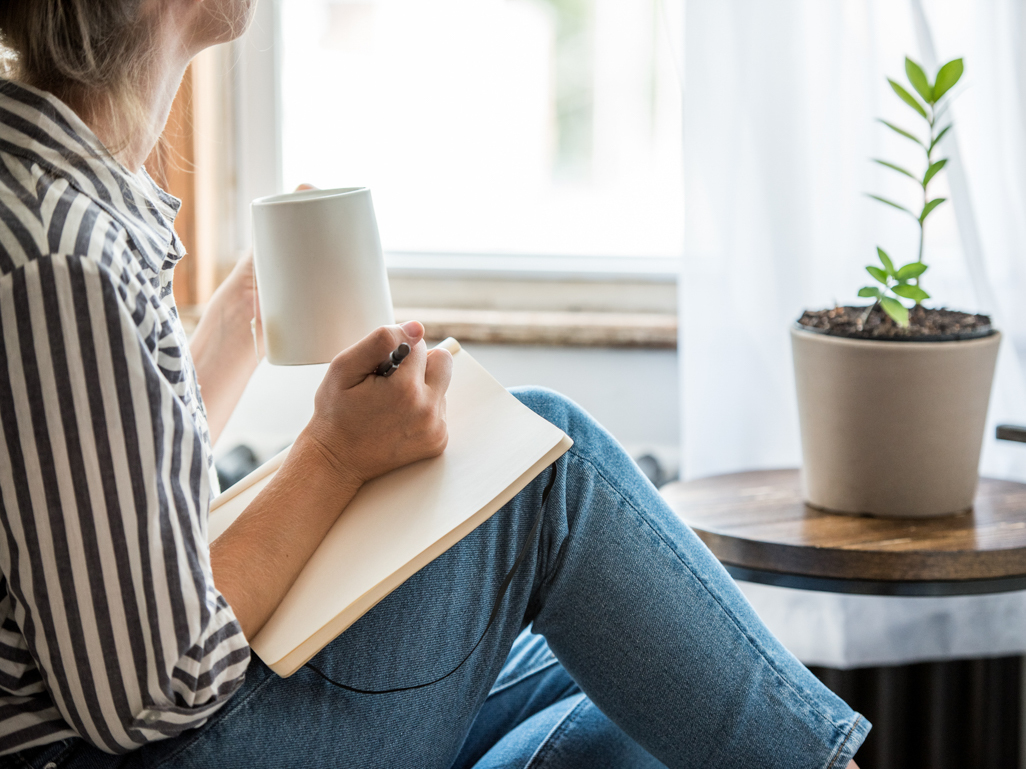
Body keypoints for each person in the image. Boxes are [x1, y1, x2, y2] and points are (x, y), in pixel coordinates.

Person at [0, 2, 868, 767]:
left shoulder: (51, 199)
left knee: (642, 666)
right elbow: (152, 685)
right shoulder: (60, 256)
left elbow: (105, 516)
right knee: (548, 466)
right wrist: (335, 454)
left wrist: (232, 332)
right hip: (133, 750)